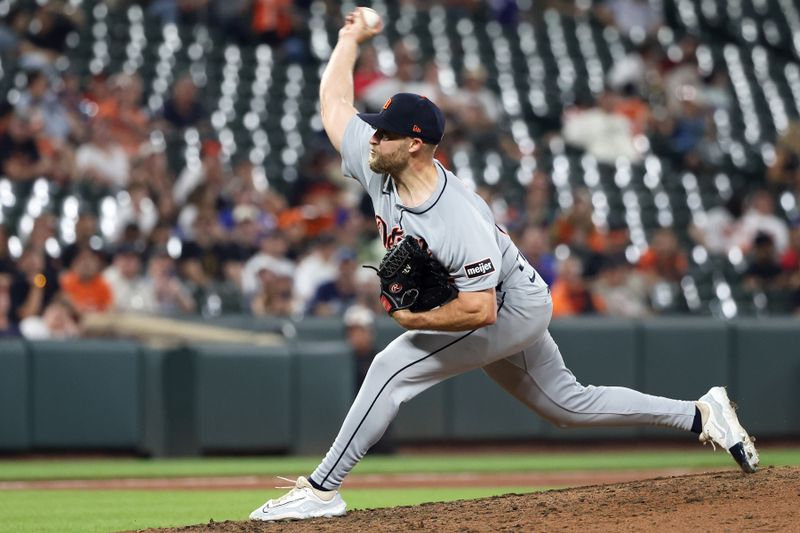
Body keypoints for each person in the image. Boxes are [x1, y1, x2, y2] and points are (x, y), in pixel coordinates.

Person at [248, 10, 759, 522]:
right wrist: (349, 38)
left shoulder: (456, 218)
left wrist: (414, 320)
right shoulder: (377, 158)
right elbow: (334, 103)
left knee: (390, 367)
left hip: (507, 304)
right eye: (375, 130)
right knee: (566, 405)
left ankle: (321, 490)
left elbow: (479, 309)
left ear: (416, 145)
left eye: (384, 133)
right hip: (496, 297)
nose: (372, 137)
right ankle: (699, 414)